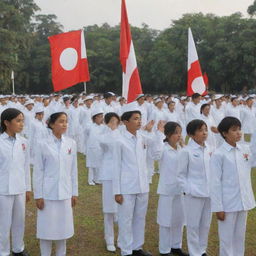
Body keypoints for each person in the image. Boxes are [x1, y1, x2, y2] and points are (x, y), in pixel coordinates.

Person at [112, 103, 165, 256]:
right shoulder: (119, 140)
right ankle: (126, 250)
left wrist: (160, 133)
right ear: (125, 122)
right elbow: (115, 168)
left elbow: (156, 154)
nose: (139, 121)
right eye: (135, 119)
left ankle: (137, 247)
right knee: (125, 220)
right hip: (126, 187)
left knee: (140, 218)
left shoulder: (143, 137)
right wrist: (117, 191)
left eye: (140, 118)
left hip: (142, 185)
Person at [33, 112, 78, 256]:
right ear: (51, 124)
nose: (64, 124)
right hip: (48, 193)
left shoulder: (71, 143)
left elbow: (73, 170)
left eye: (66, 121)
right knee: (46, 230)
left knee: (62, 229)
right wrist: (38, 195)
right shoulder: (42, 144)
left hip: (65, 192)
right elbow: (38, 171)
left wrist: (74, 193)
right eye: (61, 121)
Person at [210, 117, 256, 256]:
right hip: (227, 203)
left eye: (239, 129)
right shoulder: (219, 154)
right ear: (224, 133)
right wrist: (218, 207)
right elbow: (215, 182)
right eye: (234, 130)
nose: (238, 133)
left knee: (239, 238)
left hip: (243, 201)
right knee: (226, 240)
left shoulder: (245, 149)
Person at [177, 119, 212, 256]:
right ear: (191, 135)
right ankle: (194, 252)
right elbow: (180, 175)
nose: (204, 133)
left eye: (205, 130)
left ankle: (202, 250)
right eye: (200, 130)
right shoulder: (187, 151)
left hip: (209, 193)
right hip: (193, 194)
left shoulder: (209, 149)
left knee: (205, 225)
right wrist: (188, 190)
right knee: (193, 226)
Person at [154, 122, 188, 256]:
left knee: (179, 219)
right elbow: (155, 155)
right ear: (167, 135)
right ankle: (164, 249)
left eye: (180, 132)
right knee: (165, 220)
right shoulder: (163, 148)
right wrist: (158, 134)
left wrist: (184, 146)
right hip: (167, 189)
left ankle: (176, 246)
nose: (178, 135)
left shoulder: (182, 149)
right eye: (175, 133)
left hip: (180, 190)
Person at [0, 108, 31, 256]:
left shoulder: (24, 142)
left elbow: (25, 167)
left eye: (22, 120)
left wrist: (28, 189)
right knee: (3, 223)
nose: (21, 124)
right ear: (6, 122)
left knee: (19, 221)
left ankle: (18, 248)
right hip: (3, 189)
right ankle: (3, 251)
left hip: (19, 188)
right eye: (18, 121)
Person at [97, 112, 121, 252]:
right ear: (106, 123)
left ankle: (121, 239)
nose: (114, 124)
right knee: (109, 210)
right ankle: (109, 239)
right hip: (108, 175)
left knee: (122, 209)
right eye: (111, 121)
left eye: (116, 121)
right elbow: (106, 143)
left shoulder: (122, 134)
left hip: (121, 175)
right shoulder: (103, 136)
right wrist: (111, 130)